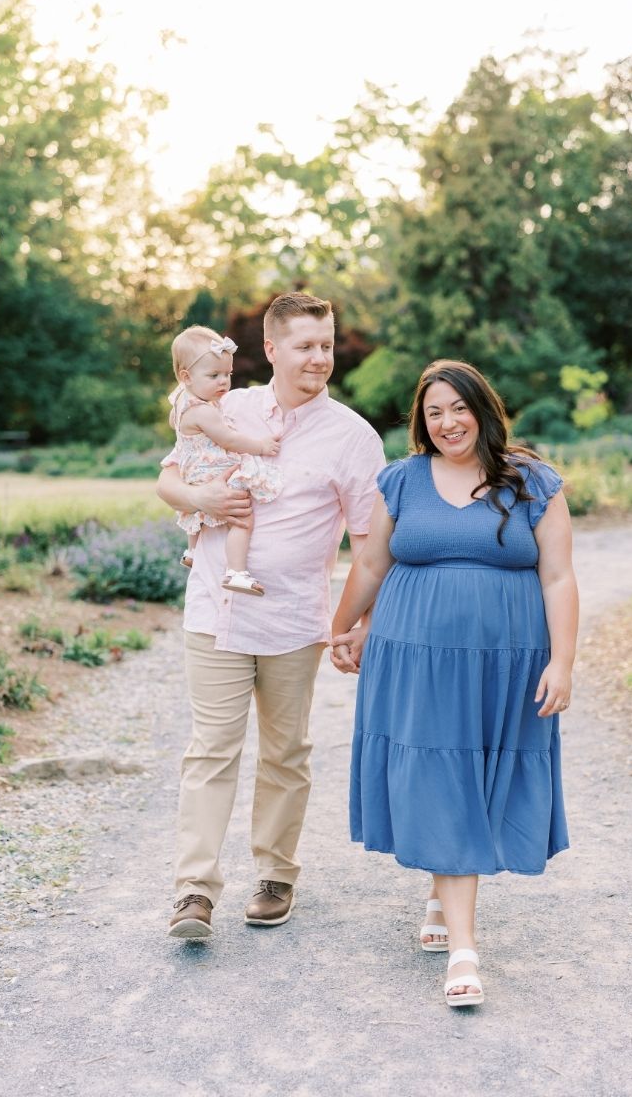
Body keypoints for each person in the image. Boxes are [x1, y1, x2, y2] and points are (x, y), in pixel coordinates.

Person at [328, 359, 577, 1008]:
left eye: (457, 409)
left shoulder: (532, 482)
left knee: (477, 778)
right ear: (422, 420)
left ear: (482, 410)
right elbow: (372, 563)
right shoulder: (403, 481)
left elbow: (558, 577)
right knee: (441, 779)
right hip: (416, 661)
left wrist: (564, 661)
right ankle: (464, 949)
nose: (447, 423)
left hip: (506, 663)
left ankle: (443, 895)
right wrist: (344, 627)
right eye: (433, 412)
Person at [156, 292, 386, 939]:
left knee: (285, 752)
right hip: (216, 611)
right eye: (306, 345)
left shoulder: (353, 437)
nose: (320, 357)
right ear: (273, 350)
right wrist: (202, 496)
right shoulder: (225, 406)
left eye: (327, 344)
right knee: (211, 751)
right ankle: (194, 892)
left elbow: (369, 543)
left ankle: (275, 874)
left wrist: (359, 622)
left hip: (292, 623)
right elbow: (170, 479)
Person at [166, 326, 283, 595]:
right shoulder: (204, 412)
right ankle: (236, 571)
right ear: (186, 376)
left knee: (196, 511)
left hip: (193, 470)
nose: (224, 382)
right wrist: (260, 446)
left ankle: (193, 550)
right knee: (242, 518)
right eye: (214, 375)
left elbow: (177, 426)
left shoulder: (182, 401)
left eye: (227, 375)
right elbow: (229, 439)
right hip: (212, 470)